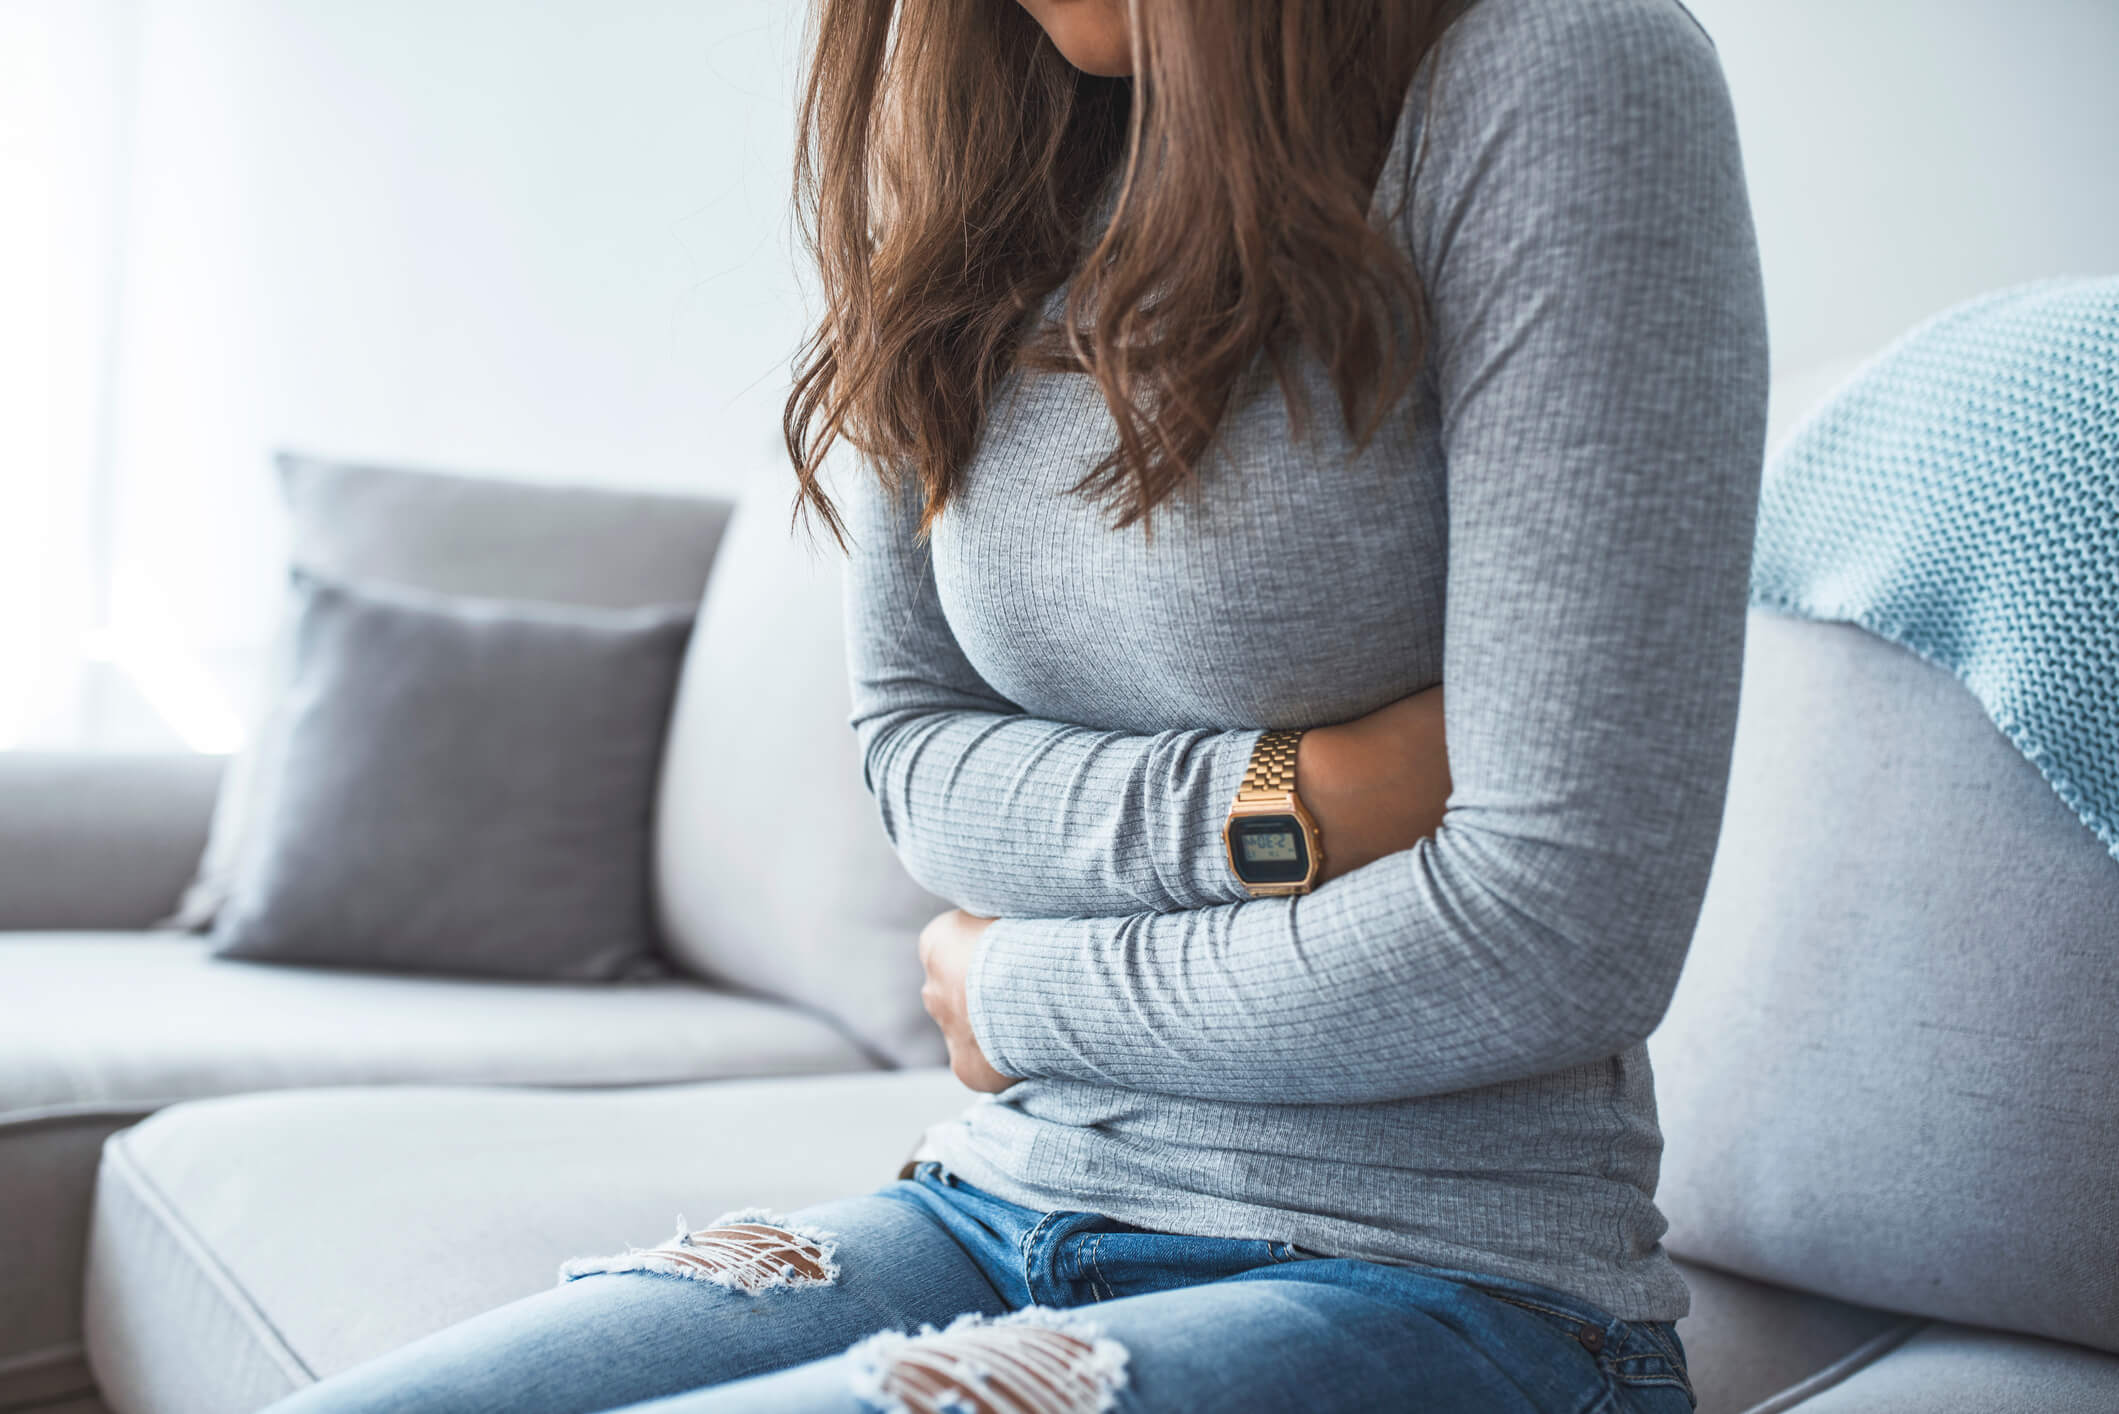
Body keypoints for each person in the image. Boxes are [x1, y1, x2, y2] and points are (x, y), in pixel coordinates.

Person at [268, 0, 1765, 1408]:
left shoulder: (1565, 73)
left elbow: (1556, 929)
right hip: (991, 1195)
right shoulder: (992, 142)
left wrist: (1013, 992)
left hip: (1452, 1278)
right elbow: (915, 752)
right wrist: (1290, 798)